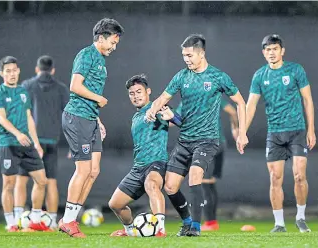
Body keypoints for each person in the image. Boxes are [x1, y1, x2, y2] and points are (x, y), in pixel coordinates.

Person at [145, 34, 248, 237]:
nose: (186, 59)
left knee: (195, 175)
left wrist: (242, 133)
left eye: (190, 55)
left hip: (207, 140)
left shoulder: (218, 77)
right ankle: (187, 222)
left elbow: (241, 103)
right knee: (170, 187)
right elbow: (163, 97)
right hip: (184, 140)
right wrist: (152, 109)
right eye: (184, 55)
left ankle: (196, 227)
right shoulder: (182, 76)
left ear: (201, 54)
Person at [59, 18, 124, 238]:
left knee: (94, 171)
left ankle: (71, 219)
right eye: (113, 42)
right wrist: (99, 99)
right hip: (77, 117)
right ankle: (68, 220)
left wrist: (97, 120)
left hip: (90, 118)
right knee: (83, 170)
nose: (114, 47)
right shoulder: (86, 54)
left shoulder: (100, 60)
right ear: (102, 36)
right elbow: (75, 86)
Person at [246, 34, 315, 233]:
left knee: (299, 175)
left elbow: (308, 100)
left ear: (282, 51)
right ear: (263, 53)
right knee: (275, 178)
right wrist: (242, 132)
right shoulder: (260, 75)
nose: (271, 53)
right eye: (268, 50)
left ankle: (301, 218)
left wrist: (311, 129)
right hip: (275, 134)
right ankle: (279, 224)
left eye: (275, 49)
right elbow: (251, 105)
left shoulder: (295, 70)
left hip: (297, 131)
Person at [108, 74, 182, 237]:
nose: (135, 96)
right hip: (138, 167)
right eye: (132, 93)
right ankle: (129, 231)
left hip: (156, 163)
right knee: (115, 204)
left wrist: (173, 117)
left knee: (151, 184)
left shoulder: (158, 108)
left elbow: (182, 123)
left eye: (139, 91)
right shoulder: (136, 117)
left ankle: (160, 229)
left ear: (148, 91)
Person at [0, 56, 48, 232]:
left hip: (27, 144)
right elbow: (1, 118)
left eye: (14, 70)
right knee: (9, 184)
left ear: (19, 71)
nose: (12, 73)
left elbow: (29, 118)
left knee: (42, 181)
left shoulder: (23, 92)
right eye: (8, 71)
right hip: (8, 143)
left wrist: (36, 143)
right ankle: (11, 223)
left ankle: (36, 220)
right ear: (2, 73)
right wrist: (17, 134)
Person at [13, 55, 69, 229]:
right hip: (51, 141)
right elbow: (68, 116)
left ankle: (17, 219)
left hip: (29, 142)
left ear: (37, 69)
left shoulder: (27, 86)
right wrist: (72, 143)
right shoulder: (61, 88)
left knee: (21, 179)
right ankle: (51, 221)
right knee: (50, 181)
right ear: (52, 70)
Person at [201, 98, 238, 231]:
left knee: (204, 182)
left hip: (208, 144)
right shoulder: (214, 95)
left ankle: (210, 223)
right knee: (210, 182)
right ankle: (212, 222)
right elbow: (233, 111)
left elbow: (175, 119)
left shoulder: (190, 97)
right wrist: (235, 129)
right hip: (220, 143)